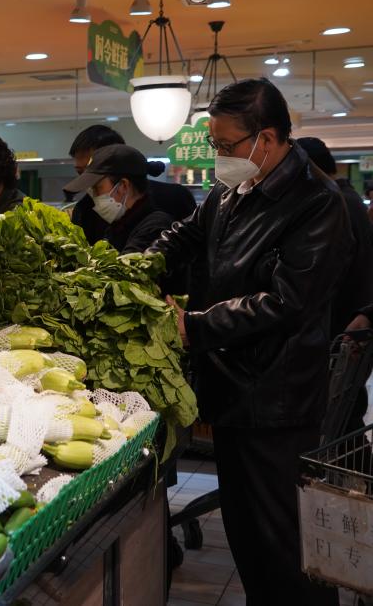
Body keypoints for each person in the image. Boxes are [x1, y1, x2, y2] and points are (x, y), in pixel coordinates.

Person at [149, 78, 350, 606]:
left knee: (283, 541)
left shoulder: (317, 202)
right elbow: (187, 234)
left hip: (276, 398)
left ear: (267, 137)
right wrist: (138, 266)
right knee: (246, 534)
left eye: (226, 145)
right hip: (232, 387)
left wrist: (194, 326)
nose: (220, 156)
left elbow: (287, 301)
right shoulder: (233, 189)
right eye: (214, 144)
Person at [68, 125, 196, 244]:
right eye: (80, 172)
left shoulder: (173, 198)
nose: (87, 182)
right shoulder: (84, 210)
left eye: (94, 174)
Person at [297, 137, 373, 336]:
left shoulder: (334, 204)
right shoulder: (349, 198)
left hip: (339, 323)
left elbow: (325, 272)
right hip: (351, 315)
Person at [62, 144, 174, 254]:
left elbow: (127, 264)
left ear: (123, 186)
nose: (94, 197)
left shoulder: (155, 228)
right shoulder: (117, 225)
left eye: (97, 188)